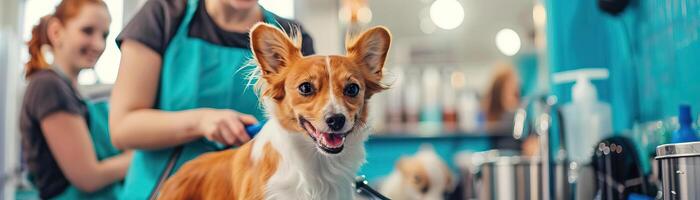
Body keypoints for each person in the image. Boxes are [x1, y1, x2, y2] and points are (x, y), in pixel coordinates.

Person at [109, 0, 315, 198]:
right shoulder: (164, 14)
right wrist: (200, 122)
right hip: (167, 190)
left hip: (252, 191)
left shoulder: (290, 36)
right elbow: (122, 128)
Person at [19, 0, 132, 199]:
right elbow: (88, 176)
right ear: (56, 32)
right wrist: (142, 158)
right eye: (87, 31)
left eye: (104, 35)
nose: (98, 44)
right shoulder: (48, 87)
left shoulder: (71, 92)